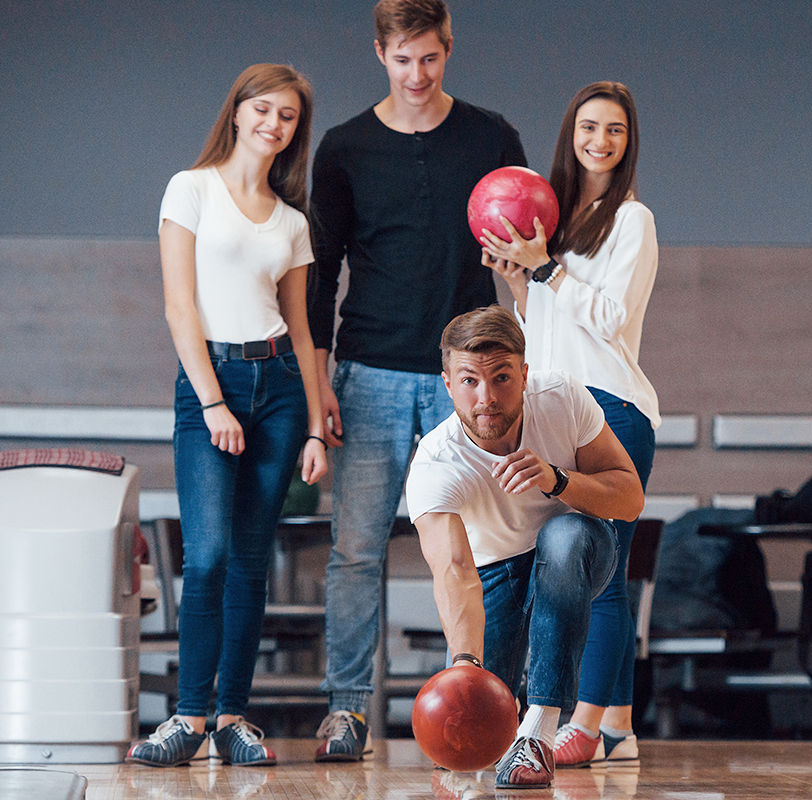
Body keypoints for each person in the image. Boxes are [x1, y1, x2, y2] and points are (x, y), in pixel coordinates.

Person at [307, 0, 526, 761]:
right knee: (357, 550)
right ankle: (346, 712)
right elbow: (321, 271)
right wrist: (320, 383)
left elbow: (522, 248)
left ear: (448, 49)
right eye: (403, 60)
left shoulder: (491, 137)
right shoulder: (344, 147)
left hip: (466, 379)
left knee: (487, 545)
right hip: (367, 371)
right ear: (380, 53)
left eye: (429, 58)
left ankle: (494, 706)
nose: (416, 74)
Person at [126, 64, 328, 768]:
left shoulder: (293, 222)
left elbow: (301, 330)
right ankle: (188, 718)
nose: (274, 124)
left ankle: (233, 718)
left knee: (249, 561)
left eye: (288, 116)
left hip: (280, 388)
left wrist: (315, 427)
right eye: (263, 109)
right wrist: (213, 400)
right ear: (237, 112)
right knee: (207, 556)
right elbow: (179, 305)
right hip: (209, 381)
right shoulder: (190, 188)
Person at [476, 81, 660, 767]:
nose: (599, 141)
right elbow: (539, 328)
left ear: (627, 141)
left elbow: (610, 319)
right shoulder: (549, 217)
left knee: (601, 574)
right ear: (570, 133)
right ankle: (619, 728)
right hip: (554, 402)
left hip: (612, 406)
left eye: (614, 129)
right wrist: (517, 278)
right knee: (580, 568)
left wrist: (546, 268)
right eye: (588, 127)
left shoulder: (632, 220)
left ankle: (584, 725)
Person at [405, 306, 644, 789]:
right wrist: (466, 665)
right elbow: (455, 571)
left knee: (563, 536)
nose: (487, 398)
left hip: (578, 549)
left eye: (502, 377)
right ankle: (506, 721)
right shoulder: (436, 463)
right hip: (495, 572)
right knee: (470, 742)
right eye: (469, 381)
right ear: (448, 383)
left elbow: (629, 498)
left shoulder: (561, 397)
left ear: (525, 373)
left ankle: (539, 732)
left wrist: (559, 480)